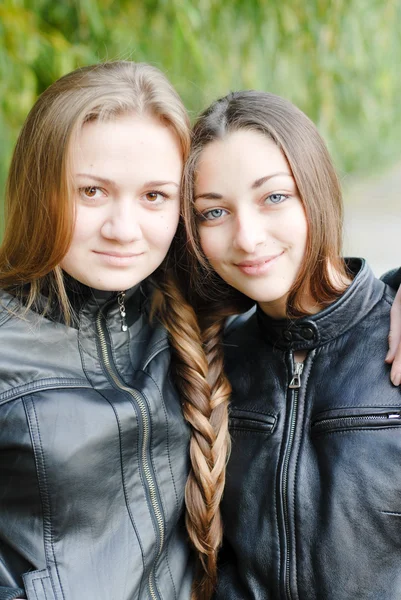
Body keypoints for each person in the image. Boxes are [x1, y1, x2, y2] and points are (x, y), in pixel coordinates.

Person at [0, 62, 227, 600]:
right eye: (93, 192)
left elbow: (317, 309)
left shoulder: (201, 310)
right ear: (40, 189)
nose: (124, 231)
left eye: (154, 196)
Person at [181, 90, 401, 599]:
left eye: (273, 197)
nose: (248, 238)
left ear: (316, 190)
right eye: (214, 213)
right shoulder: (209, 360)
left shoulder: (390, 334)